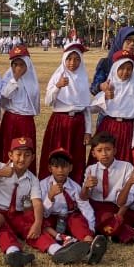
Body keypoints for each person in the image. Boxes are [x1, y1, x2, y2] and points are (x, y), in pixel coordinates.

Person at [0, 136, 44, 267]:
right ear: (10, 155)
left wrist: (38, 223)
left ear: (33, 158)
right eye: (18, 154)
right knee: (4, 229)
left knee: (31, 227)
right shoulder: (1, 167)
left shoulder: (32, 179)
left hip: (16, 214)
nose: (22, 159)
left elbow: (37, 202)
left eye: (27, 155)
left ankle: (55, 249)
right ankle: (13, 252)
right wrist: (0, 173)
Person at [32, 148, 108, 265]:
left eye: (64, 167)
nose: (60, 170)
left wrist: (90, 229)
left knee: (76, 219)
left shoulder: (74, 187)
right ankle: (64, 239)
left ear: (70, 168)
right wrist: (50, 196)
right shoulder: (43, 185)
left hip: (67, 218)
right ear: (49, 168)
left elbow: (85, 207)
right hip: (51, 220)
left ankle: (89, 243)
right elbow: (43, 213)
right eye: (56, 167)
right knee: (41, 222)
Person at [41, 42, 92, 182]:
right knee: (57, 155)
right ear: (64, 59)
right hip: (60, 122)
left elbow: (86, 106)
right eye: (69, 59)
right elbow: (48, 101)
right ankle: (51, 186)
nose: (72, 63)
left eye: (76, 59)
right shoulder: (58, 76)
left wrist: (88, 131)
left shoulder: (82, 78)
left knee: (76, 156)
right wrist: (58, 86)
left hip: (78, 123)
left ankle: (74, 188)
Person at [81, 131, 134, 245]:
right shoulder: (91, 169)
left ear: (115, 150)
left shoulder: (127, 167)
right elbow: (84, 197)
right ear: (93, 153)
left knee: (127, 218)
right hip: (97, 207)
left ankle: (109, 231)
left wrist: (119, 215)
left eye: (108, 149)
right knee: (93, 217)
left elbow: (131, 196)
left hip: (118, 207)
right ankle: (132, 235)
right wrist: (86, 187)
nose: (104, 153)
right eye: (99, 150)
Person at [91, 53, 134, 157]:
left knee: (123, 158)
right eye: (121, 68)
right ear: (115, 69)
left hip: (127, 130)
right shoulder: (108, 86)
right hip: (108, 128)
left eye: (129, 69)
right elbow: (92, 109)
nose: (125, 72)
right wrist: (105, 97)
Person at [0, 45, 40, 159]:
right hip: (11, 119)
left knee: (25, 153)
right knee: (9, 151)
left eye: (21, 64)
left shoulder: (32, 80)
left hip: (26, 121)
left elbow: (34, 101)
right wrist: (15, 79)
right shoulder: (8, 77)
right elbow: (5, 94)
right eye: (15, 65)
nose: (18, 68)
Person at [91, 25, 134, 94]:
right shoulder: (106, 63)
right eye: (129, 40)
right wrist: (101, 86)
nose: (132, 44)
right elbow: (93, 89)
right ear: (120, 40)